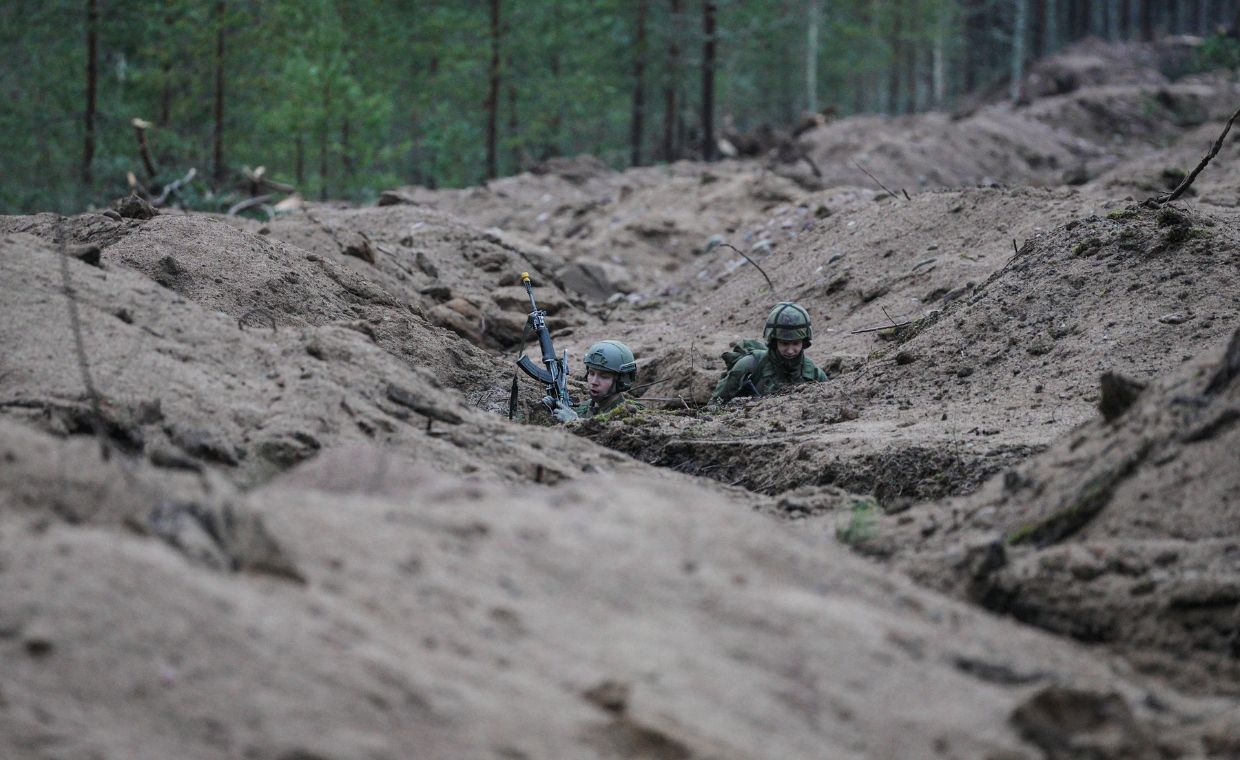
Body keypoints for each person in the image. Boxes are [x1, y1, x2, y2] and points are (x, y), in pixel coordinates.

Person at [711, 302, 827, 404]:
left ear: (804, 342)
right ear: (774, 342)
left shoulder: (814, 374)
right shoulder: (749, 365)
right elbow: (715, 404)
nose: (791, 350)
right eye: (784, 344)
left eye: (796, 343)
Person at [553, 340, 643, 422]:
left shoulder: (630, 415)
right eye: (591, 373)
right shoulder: (584, 408)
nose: (594, 382)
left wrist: (574, 422)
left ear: (621, 380)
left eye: (604, 377)